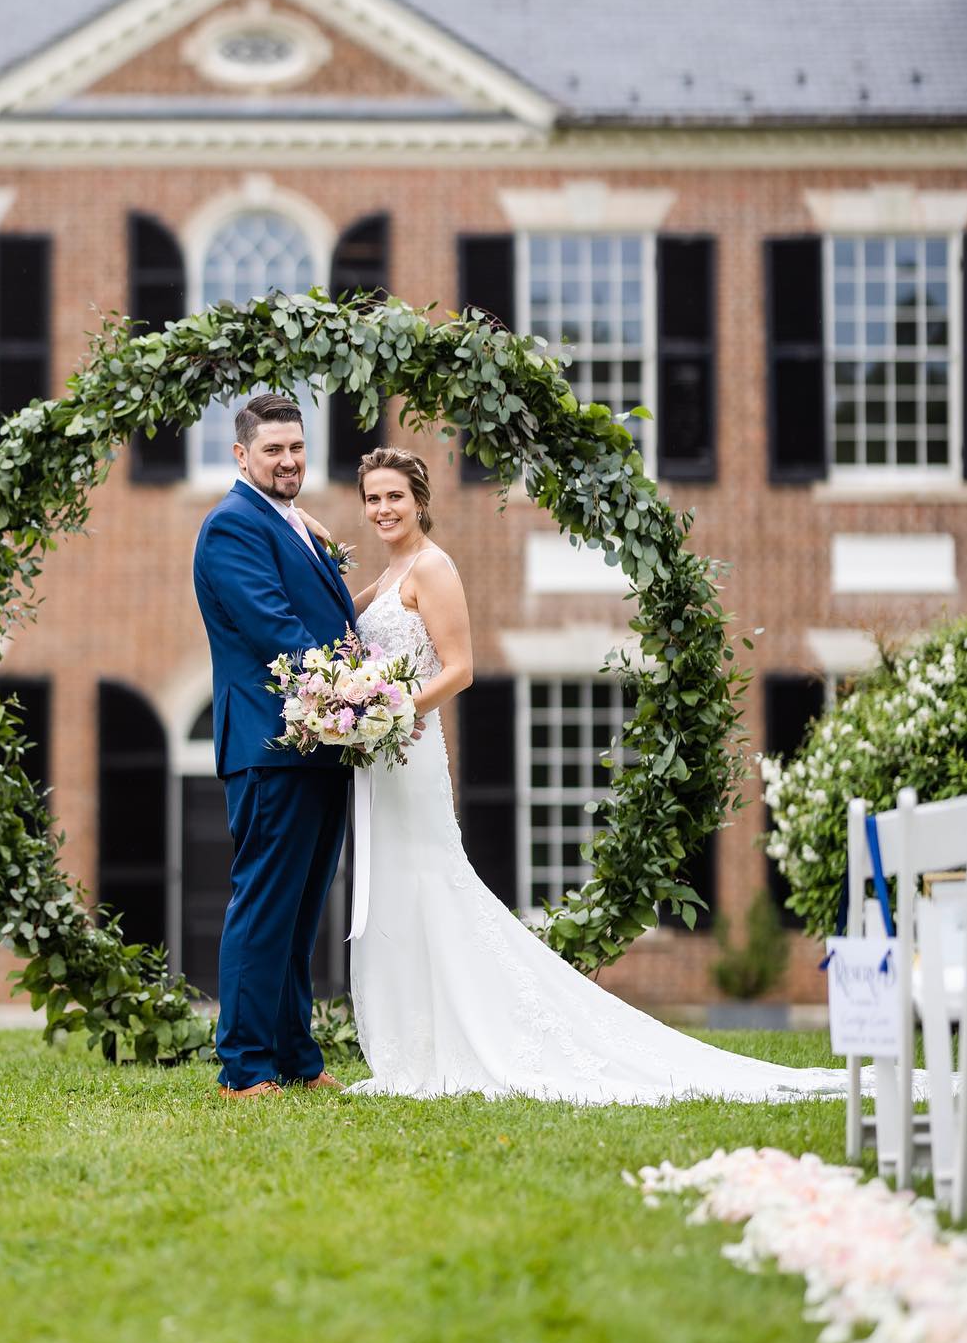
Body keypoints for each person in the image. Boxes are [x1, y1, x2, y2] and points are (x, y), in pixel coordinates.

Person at [298, 446, 857, 1104]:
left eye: (394, 495)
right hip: (384, 753)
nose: (383, 508)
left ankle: (464, 1036)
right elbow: (340, 612)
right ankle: (414, 1046)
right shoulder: (390, 573)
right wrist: (304, 530)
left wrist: (392, 710)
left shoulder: (434, 567)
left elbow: (460, 667)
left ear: (420, 499)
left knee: (431, 880)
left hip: (411, 745)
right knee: (395, 885)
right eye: (372, 499)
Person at [191, 393, 358, 1099]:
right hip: (271, 744)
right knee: (264, 904)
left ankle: (295, 1054)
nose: (288, 460)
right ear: (241, 455)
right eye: (273, 450)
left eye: (296, 448)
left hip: (321, 742)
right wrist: (364, 689)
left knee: (300, 911)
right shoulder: (231, 527)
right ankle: (244, 1066)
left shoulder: (286, 520)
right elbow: (277, 631)